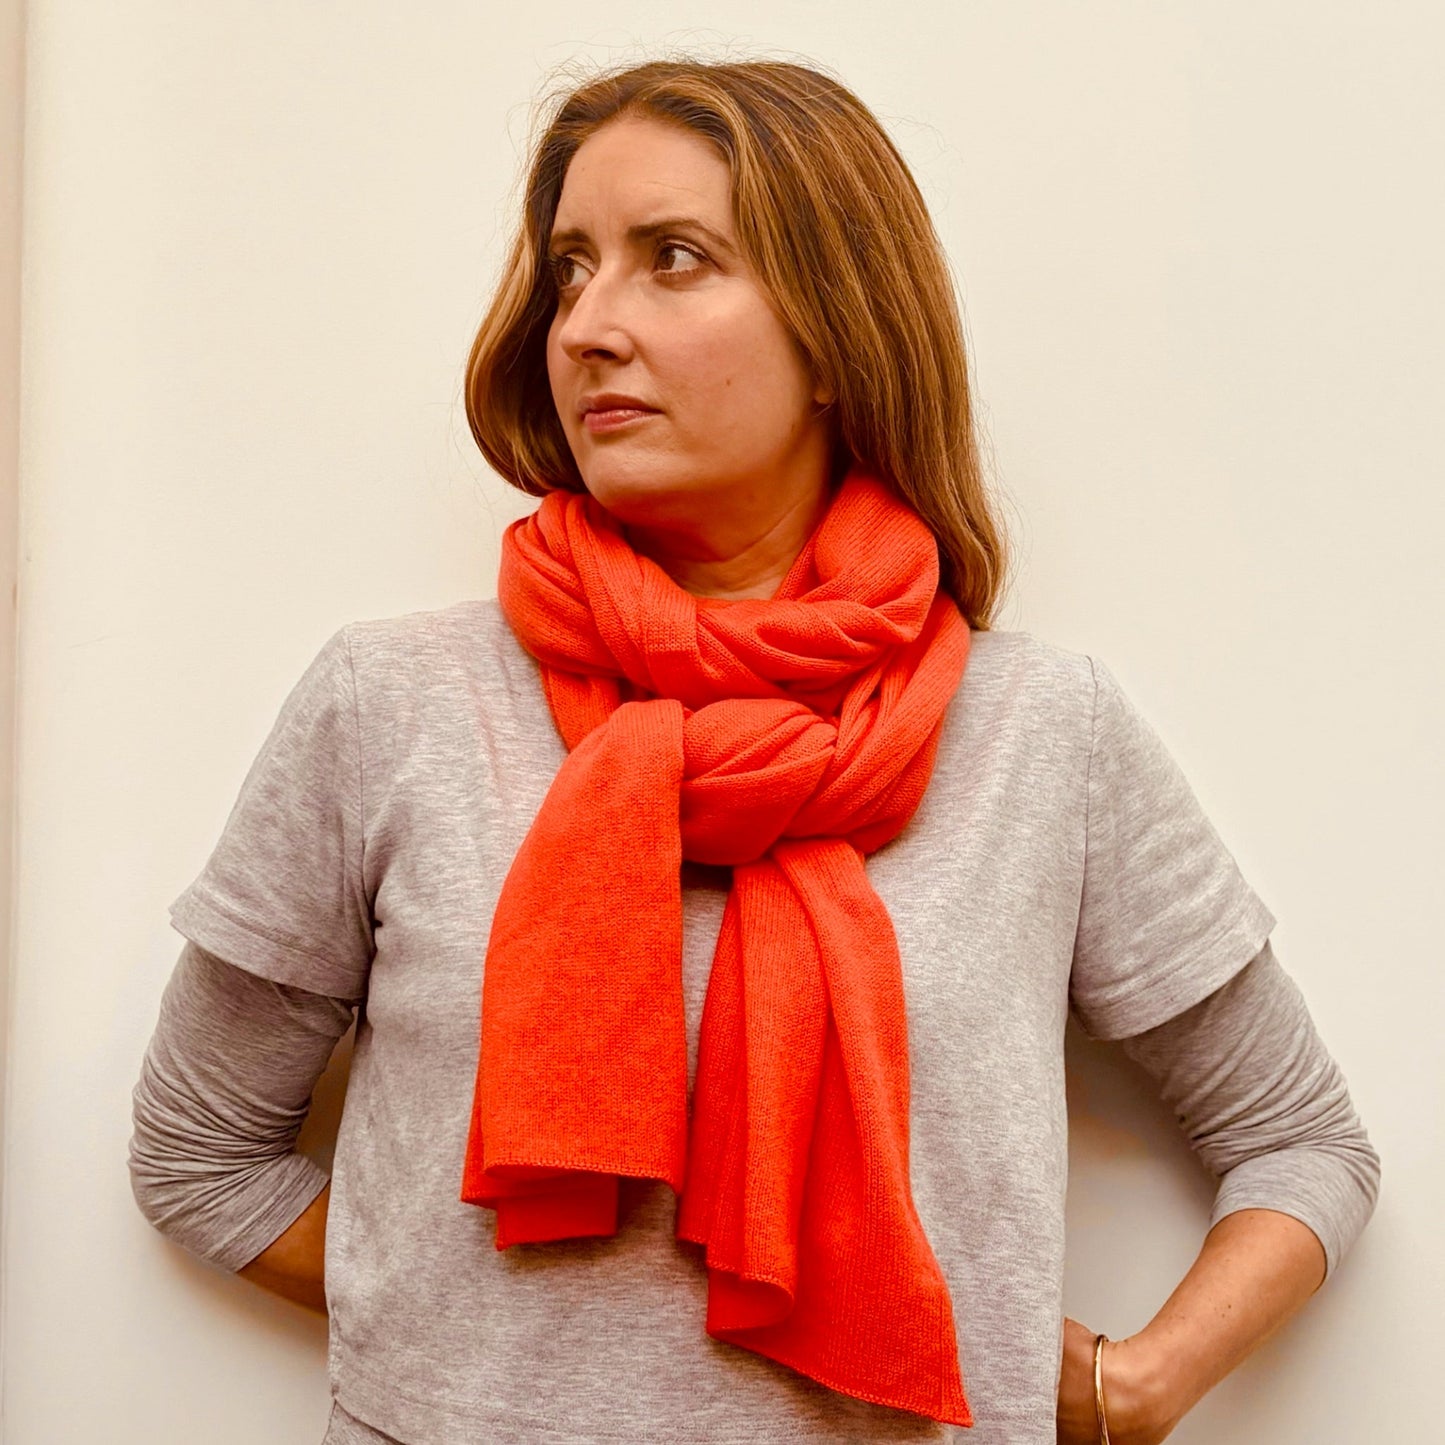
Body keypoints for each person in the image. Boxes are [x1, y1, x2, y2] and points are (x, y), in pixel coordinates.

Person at [128, 56, 1380, 1445]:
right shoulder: (391, 707)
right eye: (568, 268)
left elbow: (1301, 1141)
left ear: (839, 333)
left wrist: (1129, 1387)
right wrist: (453, 1342)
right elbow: (199, 1154)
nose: (587, 324)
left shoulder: (1042, 735)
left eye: (673, 260)